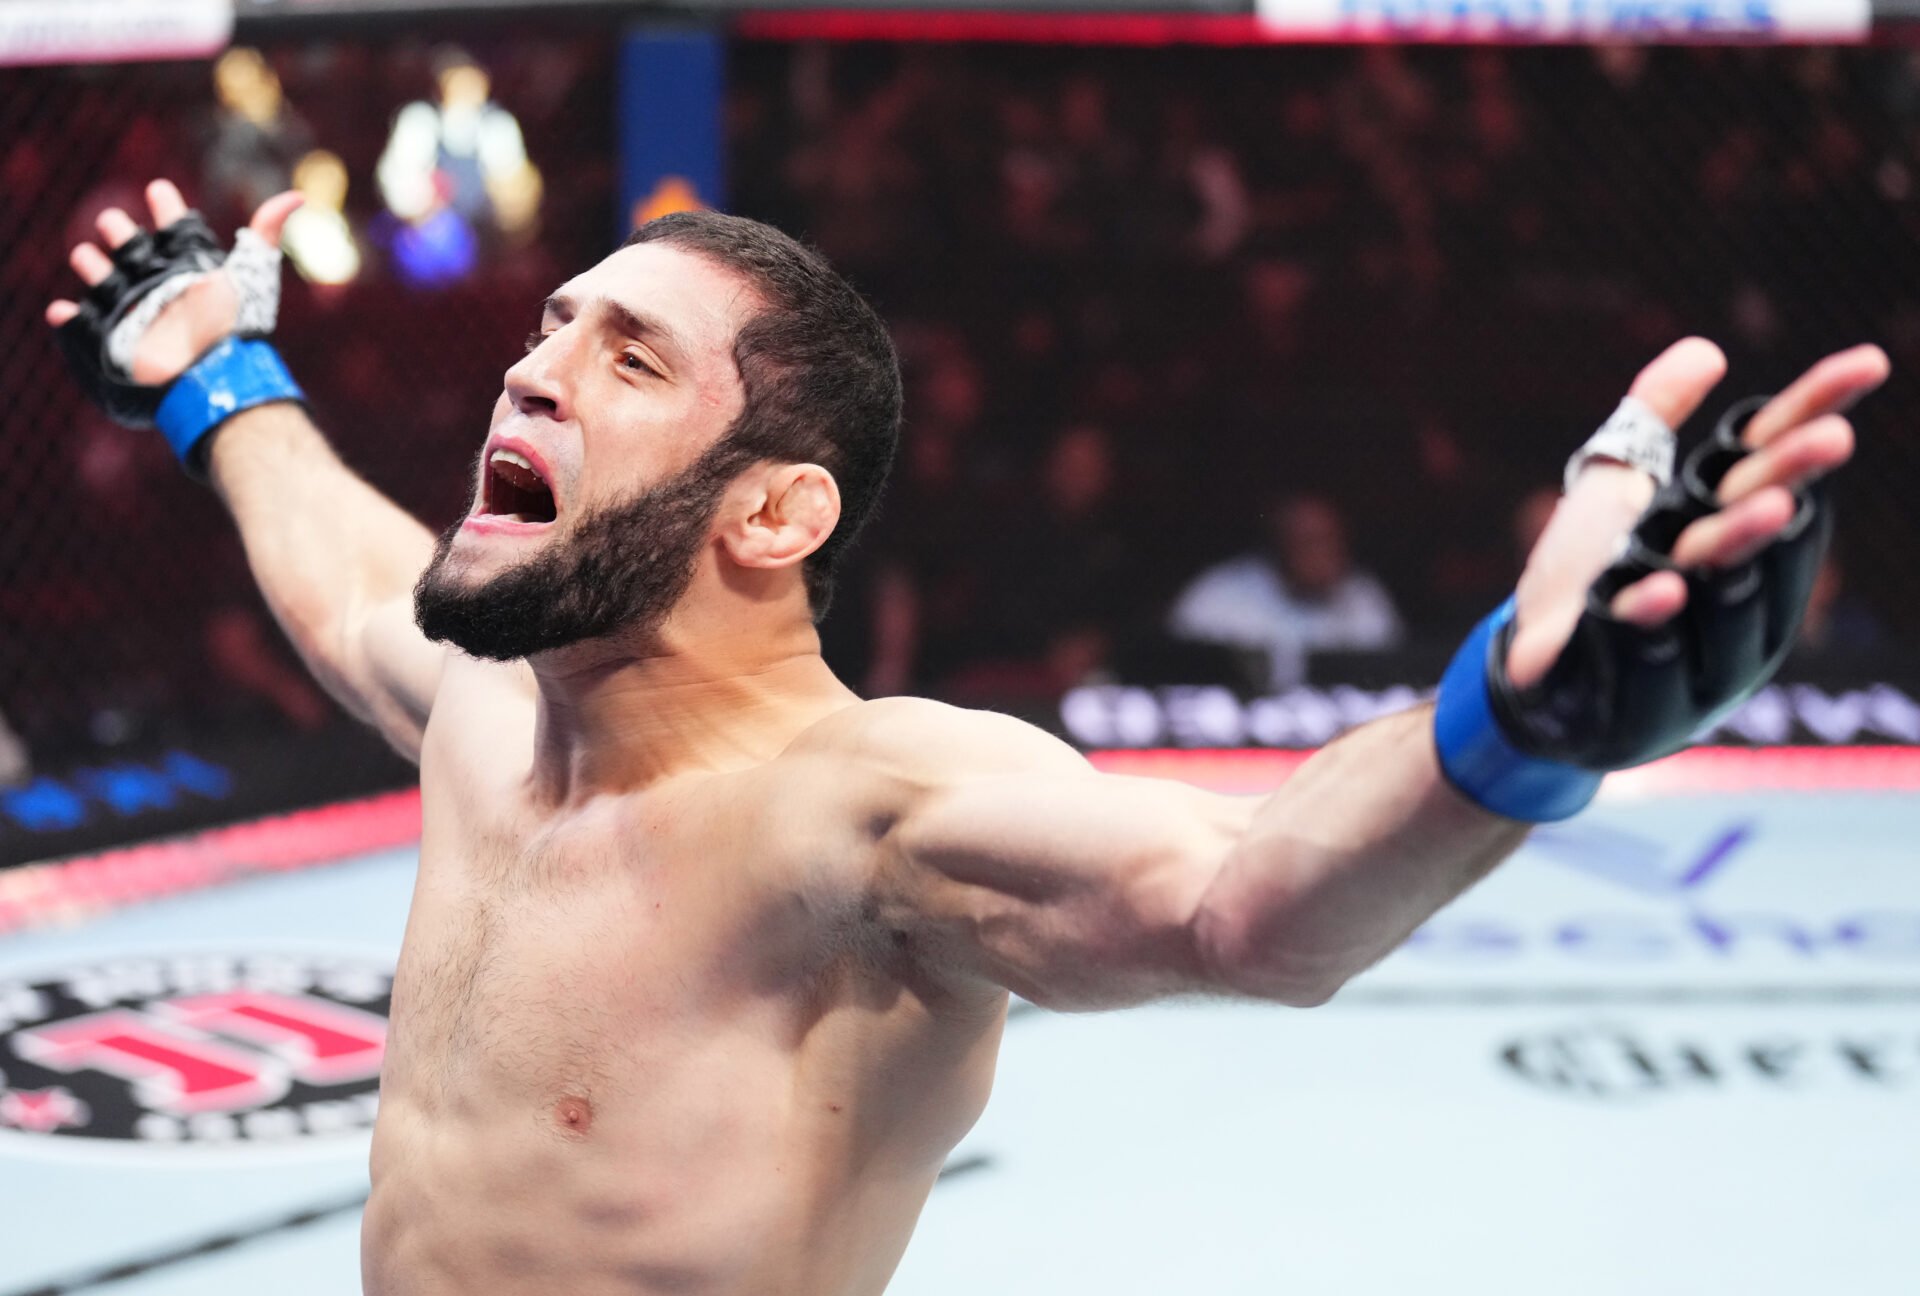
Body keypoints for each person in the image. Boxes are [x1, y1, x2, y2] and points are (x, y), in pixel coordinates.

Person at [47, 178, 1884, 1294]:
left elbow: (1243, 902)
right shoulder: (491, 711)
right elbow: (350, 583)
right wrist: (225, 378)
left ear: (775, 518)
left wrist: (1521, 716)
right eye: (553, 327)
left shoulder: (856, 815)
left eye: (628, 359)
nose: (532, 366)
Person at [1166, 491, 1404, 690]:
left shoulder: (1364, 597)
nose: (1323, 553)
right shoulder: (1216, 597)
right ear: (1279, 543)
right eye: (1310, 541)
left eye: (1331, 539)